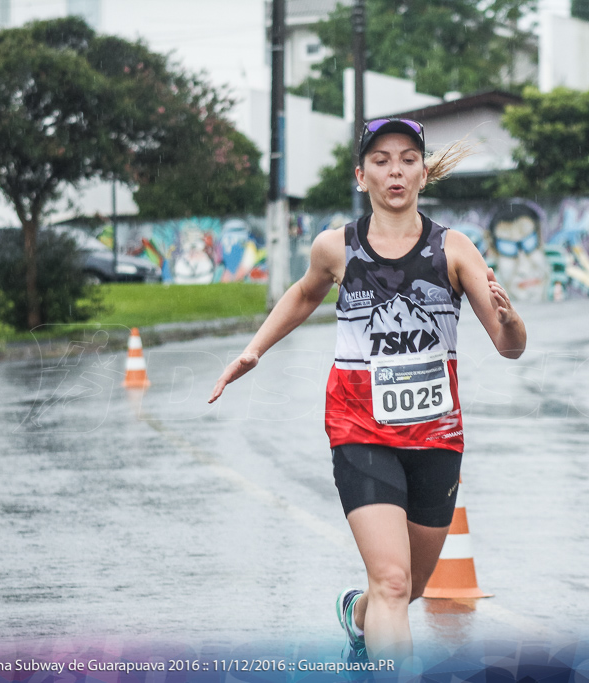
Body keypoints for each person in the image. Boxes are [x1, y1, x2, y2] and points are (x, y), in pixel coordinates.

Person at [207, 117, 527, 663]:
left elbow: (509, 346)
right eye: (381, 160)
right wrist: (254, 349)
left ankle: (358, 615)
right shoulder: (337, 248)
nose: (395, 170)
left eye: (407, 159)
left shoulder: (454, 250)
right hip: (360, 430)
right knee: (395, 583)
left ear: (423, 173)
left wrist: (512, 320)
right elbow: (304, 295)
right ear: (361, 176)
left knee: (410, 588)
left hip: (436, 437)